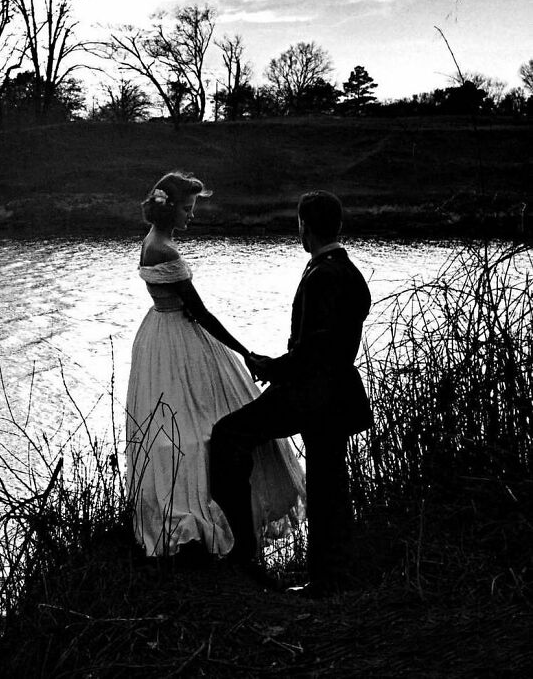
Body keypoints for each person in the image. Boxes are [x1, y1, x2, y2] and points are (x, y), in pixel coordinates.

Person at [126, 171, 305, 560]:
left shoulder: (153, 242)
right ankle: (198, 521)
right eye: (188, 209)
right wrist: (245, 351)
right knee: (195, 426)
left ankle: (215, 514)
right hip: (178, 337)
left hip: (161, 331)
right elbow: (201, 312)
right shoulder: (164, 251)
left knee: (195, 424)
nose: (192, 216)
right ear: (170, 208)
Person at [210, 190, 372, 595]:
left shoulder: (323, 275)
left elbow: (315, 348)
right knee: (330, 482)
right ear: (337, 226)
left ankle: (245, 549)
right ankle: (332, 577)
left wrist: (272, 368)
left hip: (311, 393)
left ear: (304, 226)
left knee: (229, 435)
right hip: (335, 393)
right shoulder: (347, 271)